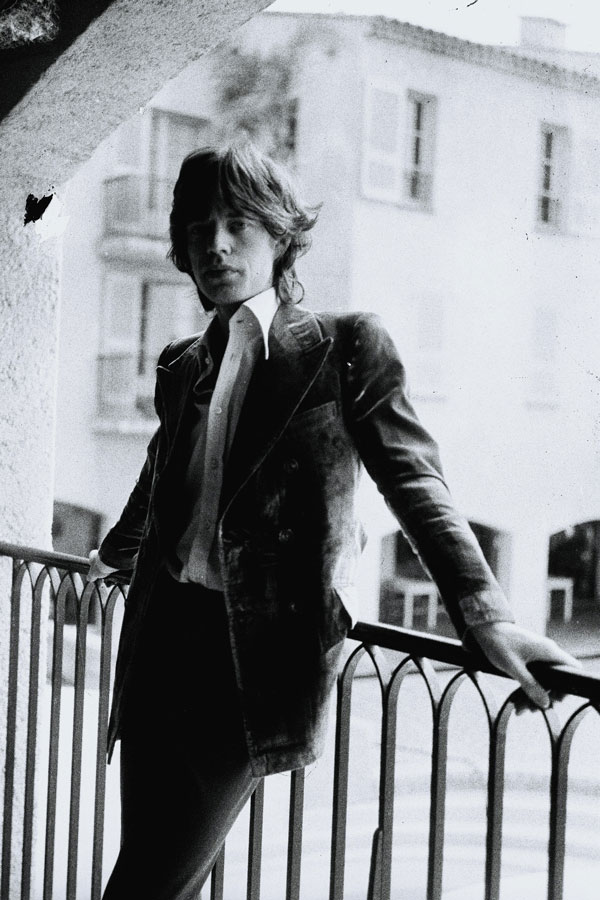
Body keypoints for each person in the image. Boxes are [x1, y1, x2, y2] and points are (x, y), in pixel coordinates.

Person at [88, 143, 578, 899]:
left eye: (239, 223)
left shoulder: (344, 347)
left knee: (149, 882)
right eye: (198, 227)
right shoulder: (182, 364)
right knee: (151, 863)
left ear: (281, 235)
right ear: (182, 247)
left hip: (246, 659)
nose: (216, 243)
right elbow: (162, 476)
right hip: (158, 641)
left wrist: (485, 614)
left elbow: (414, 479)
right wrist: (110, 553)